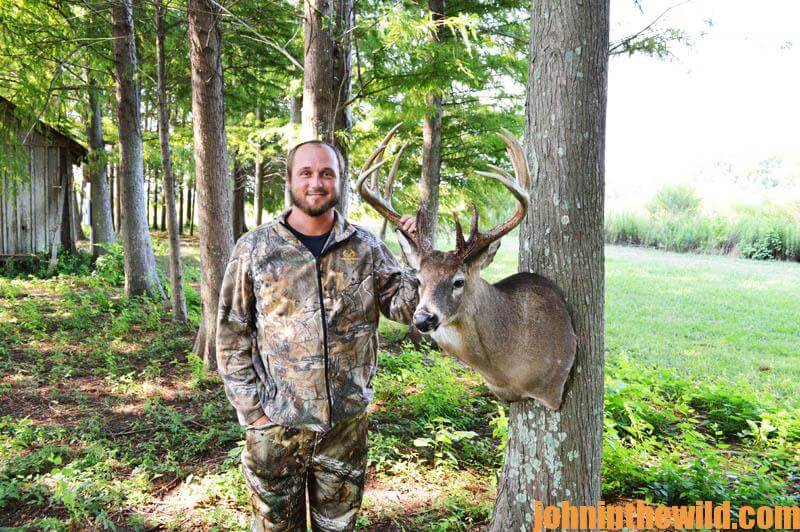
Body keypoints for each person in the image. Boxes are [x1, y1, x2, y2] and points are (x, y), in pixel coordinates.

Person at [216, 139, 418, 531]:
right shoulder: (256, 249)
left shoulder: (366, 248)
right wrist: (252, 411)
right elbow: (231, 331)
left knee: (338, 528)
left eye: (327, 173)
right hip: (275, 429)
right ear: (289, 180)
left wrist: (415, 253)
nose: (317, 182)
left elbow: (405, 309)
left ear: (339, 181)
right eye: (306, 173)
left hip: (344, 430)